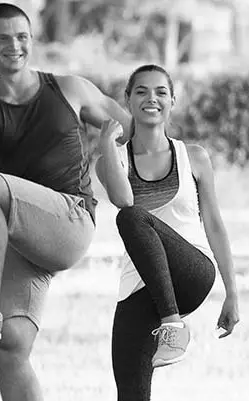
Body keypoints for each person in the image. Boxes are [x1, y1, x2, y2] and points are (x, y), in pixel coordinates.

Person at [0, 3, 134, 400]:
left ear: (32, 39)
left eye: (21, 36)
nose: (14, 46)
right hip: (17, 239)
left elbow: (132, 129)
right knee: (10, 349)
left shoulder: (68, 89)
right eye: (2, 39)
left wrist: (109, 156)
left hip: (68, 221)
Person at [110, 64, 241, 401]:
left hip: (191, 272)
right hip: (140, 286)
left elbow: (214, 224)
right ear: (128, 99)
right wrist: (107, 146)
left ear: (172, 101)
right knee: (130, 393)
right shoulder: (114, 160)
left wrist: (232, 293)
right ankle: (170, 324)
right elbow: (122, 199)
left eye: (161, 92)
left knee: (132, 218)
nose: (151, 98)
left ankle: (173, 324)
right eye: (141, 91)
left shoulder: (193, 157)